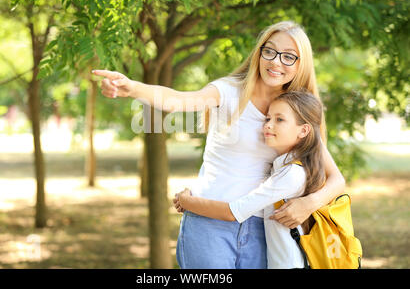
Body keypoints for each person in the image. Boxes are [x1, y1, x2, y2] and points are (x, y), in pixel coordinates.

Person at [92, 21, 345, 269]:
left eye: (289, 56)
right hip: (209, 224)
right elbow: (178, 101)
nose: (276, 61)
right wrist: (133, 88)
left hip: (264, 229)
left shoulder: (297, 111)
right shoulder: (228, 91)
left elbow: (336, 179)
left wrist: (308, 203)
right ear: (259, 52)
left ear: (301, 64)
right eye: (270, 51)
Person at [173, 90, 325, 269]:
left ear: (304, 130)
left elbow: (232, 212)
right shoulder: (284, 168)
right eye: (267, 119)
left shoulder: (291, 175)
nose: (268, 125)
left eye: (279, 119)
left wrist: (186, 200)